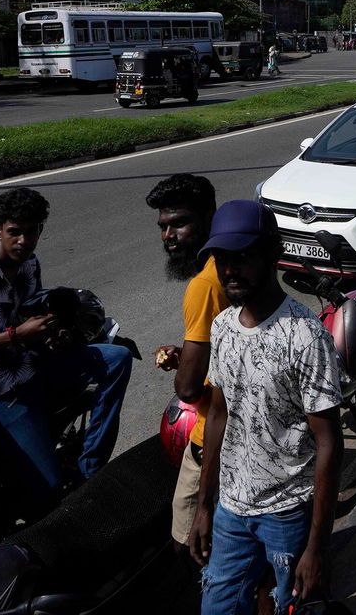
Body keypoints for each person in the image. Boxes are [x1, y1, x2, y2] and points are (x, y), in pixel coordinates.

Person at [0, 187, 132, 503]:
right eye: (14, 232)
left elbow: (30, 314)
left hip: (34, 364)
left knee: (117, 357)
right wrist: (14, 336)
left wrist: (50, 335)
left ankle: (90, 471)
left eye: (31, 231)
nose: (23, 241)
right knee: (47, 492)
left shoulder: (29, 264)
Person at [192, 201, 343, 615]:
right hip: (231, 510)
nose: (229, 270)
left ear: (271, 253)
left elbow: (328, 443)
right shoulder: (222, 326)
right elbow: (218, 416)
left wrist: (317, 547)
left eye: (242, 257)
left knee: (294, 606)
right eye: (222, 259)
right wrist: (204, 506)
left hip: (288, 513)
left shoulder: (306, 337)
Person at [147, 174, 229, 552]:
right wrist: (187, 356)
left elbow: (188, 388)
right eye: (164, 226)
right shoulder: (230, 264)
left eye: (179, 223)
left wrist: (184, 368)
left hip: (211, 435)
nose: (168, 236)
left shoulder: (204, 286)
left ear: (209, 216)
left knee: (188, 545)